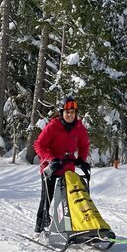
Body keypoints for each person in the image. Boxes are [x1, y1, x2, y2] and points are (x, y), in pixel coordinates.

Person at [33, 96, 92, 237]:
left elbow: (84, 145)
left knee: (72, 198)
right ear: (61, 113)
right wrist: (52, 159)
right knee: (47, 198)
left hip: (68, 169)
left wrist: (81, 160)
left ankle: (74, 226)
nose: (70, 115)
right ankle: (39, 228)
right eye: (67, 112)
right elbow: (38, 145)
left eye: (72, 112)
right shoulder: (53, 126)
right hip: (51, 169)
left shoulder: (79, 128)